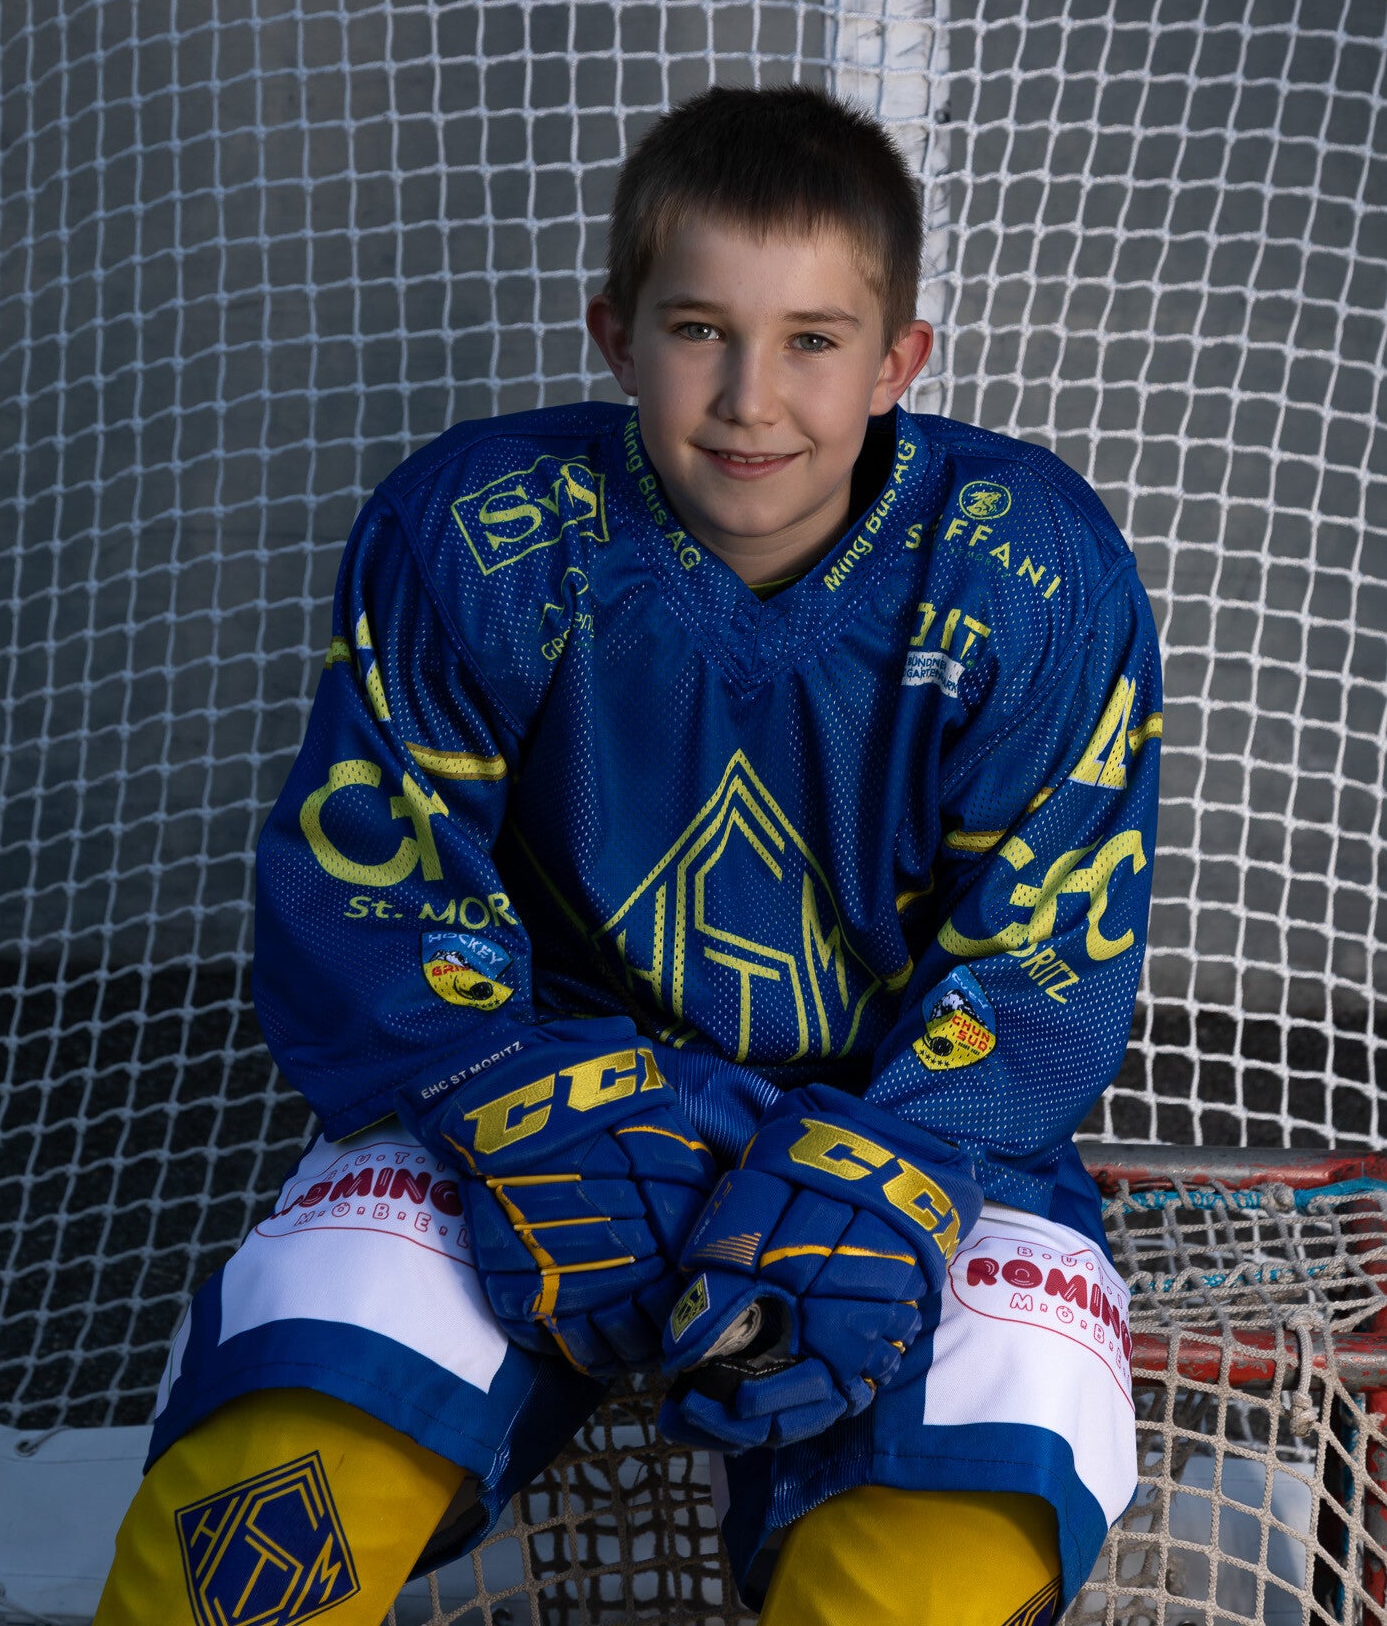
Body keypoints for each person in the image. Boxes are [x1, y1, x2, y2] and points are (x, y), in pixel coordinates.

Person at [95, 86, 1160, 1626]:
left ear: (897, 363)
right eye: (698, 330)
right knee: (254, 1530)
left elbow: (1041, 960)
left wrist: (895, 1174)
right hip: (530, 1096)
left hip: (919, 1134)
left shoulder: (1029, 571)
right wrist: (502, 1093)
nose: (749, 398)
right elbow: (371, 890)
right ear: (615, 337)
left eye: (811, 339)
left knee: (946, 1546)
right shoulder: (478, 530)